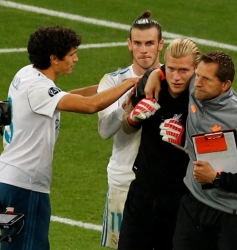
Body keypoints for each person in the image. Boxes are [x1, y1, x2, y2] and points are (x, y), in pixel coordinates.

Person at [0, 25, 138, 250]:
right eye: (72, 54)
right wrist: (129, 83)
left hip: (8, 180)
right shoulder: (39, 88)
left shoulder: (26, 74)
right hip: (26, 187)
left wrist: (111, 85)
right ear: (54, 58)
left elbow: (66, 97)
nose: (76, 59)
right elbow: (90, 105)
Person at [146, 51, 237, 250]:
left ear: (225, 85)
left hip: (234, 217)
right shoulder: (195, 89)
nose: (197, 83)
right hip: (194, 203)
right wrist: (155, 74)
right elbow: (176, 68)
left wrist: (216, 178)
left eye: (206, 79)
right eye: (198, 75)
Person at [118, 38, 201, 250]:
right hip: (142, 191)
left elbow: (215, 152)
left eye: (184, 70)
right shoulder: (150, 83)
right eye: (171, 68)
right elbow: (129, 128)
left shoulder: (203, 99)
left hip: (181, 197)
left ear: (196, 69)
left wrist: (185, 141)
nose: (176, 77)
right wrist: (132, 119)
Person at [97, 11, 164, 249]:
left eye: (149, 43)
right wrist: (125, 110)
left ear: (160, 45)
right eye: (137, 43)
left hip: (165, 183)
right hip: (124, 180)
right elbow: (104, 131)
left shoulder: (174, 79)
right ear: (129, 44)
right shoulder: (113, 82)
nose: (143, 50)